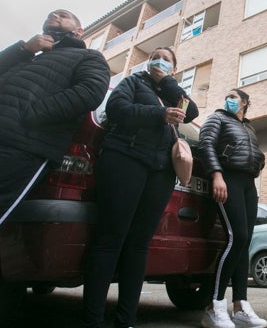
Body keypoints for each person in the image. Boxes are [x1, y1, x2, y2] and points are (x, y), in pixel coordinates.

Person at [0, 9, 110, 300]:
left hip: (22, 146)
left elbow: (90, 92)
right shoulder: (31, 56)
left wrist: (31, 114)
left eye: (64, 15)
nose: (55, 15)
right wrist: (23, 48)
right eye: (51, 14)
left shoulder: (89, 57)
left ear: (79, 31)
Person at [83, 47, 199, 328]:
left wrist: (167, 83)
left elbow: (191, 110)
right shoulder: (133, 82)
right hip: (125, 158)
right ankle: (93, 320)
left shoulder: (172, 92)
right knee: (111, 239)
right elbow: (117, 109)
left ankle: (127, 320)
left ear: (173, 69)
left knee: (139, 245)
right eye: (154, 57)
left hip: (160, 170)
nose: (158, 60)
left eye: (166, 59)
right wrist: (159, 114)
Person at [198, 89, 267, 328]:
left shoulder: (249, 127)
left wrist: (259, 162)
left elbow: (251, 153)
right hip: (227, 179)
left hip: (248, 182)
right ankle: (214, 306)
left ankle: (240, 306)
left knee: (244, 243)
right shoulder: (217, 118)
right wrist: (216, 175)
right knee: (236, 238)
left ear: (245, 102)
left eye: (233, 97)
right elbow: (205, 144)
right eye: (226, 95)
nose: (228, 99)